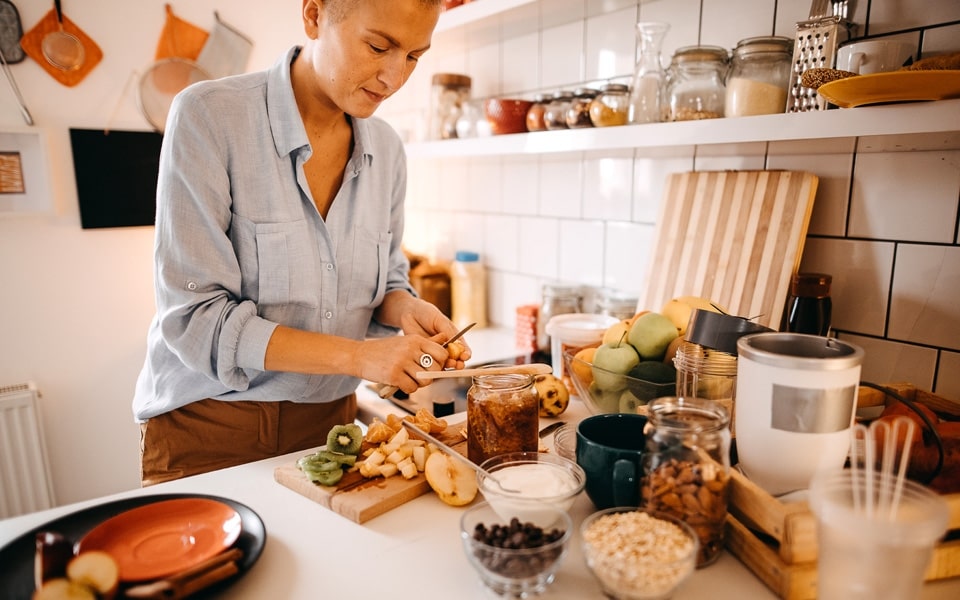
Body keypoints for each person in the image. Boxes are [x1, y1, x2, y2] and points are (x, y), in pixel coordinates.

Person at [133, 0, 468, 486]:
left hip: (329, 426)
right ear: (314, 16)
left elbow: (388, 279)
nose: (395, 77)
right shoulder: (209, 116)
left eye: (414, 56)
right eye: (378, 46)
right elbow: (194, 319)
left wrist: (404, 308)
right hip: (209, 427)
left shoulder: (389, 150)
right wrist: (359, 357)